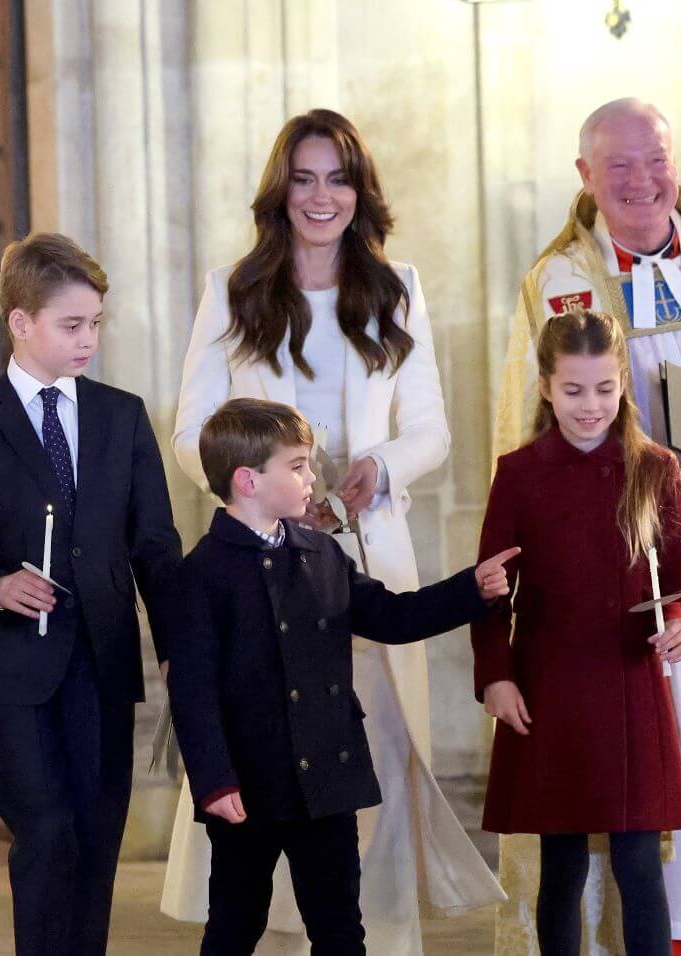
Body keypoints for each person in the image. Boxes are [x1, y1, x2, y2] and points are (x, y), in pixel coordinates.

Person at [164, 107, 503, 954]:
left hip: (366, 546)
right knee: (263, 759)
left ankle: (376, 941)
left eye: (338, 178)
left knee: (372, 761)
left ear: (361, 191)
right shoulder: (233, 291)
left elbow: (431, 428)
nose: (322, 197)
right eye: (305, 179)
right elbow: (188, 427)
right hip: (260, 557)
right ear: (281, 193)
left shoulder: (399, 291)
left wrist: (379, 468)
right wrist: (263, 489)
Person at [493, 97, 681, 954]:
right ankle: (661, 930)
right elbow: (528, 438)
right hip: (631, 547)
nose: (643, 183)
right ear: (585, 177)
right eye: (619, 167)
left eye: (657, 161)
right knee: (649, 747)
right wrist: (659, 468)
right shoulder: (557, 282)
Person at [165, 397, 515, 955]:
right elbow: (193, 693)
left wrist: (471, 588)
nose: (314, 477)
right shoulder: (202, 574)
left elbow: (394, 618)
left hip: (326, 774)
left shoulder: (321, 554)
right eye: (298, 465)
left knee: (339, 928)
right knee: (234, 924)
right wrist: (214, 781)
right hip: (249, 785)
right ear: (248, 481)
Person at [0, 232, 182, 956]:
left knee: (97, 839)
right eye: (72, 325)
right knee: (44, 831)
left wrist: (176, 649)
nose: (89, 341)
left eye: (97, 324)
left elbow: (155, 549)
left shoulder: (122, 416)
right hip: (18, 673)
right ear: (20, 323)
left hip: (102, 664)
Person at [477, 309, 681, 955]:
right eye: (573, 389)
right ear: (545, 386)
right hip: (550, 686)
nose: (591, 405)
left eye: (604, 388)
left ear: (623, 381)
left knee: (638, 863)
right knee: (562, 862)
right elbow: (490, 589)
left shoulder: (654, 467)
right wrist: (495, 674)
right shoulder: (518, 472)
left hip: (631, 684)